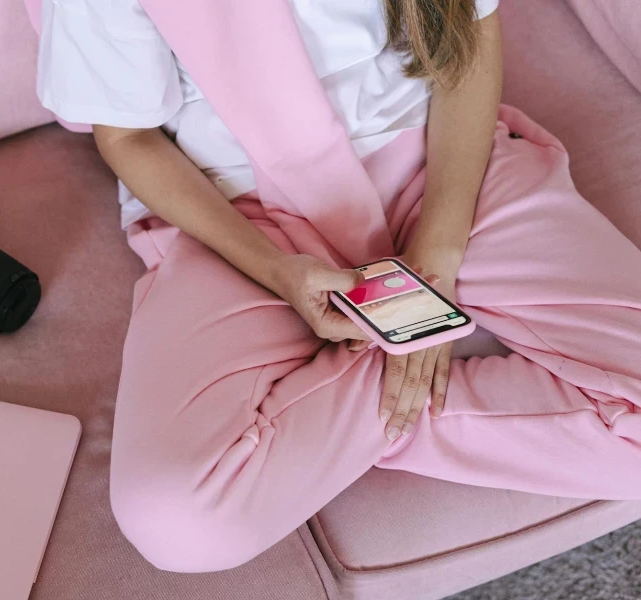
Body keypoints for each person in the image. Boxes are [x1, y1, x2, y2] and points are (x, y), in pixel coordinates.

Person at [38, 0, 641, 573]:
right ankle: (383, 388)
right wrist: (275, 270)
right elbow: (127, 136)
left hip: (439, 168)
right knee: (177, 521)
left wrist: (436, 257)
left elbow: (466, 37)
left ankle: (338, 420)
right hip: (242, 215)